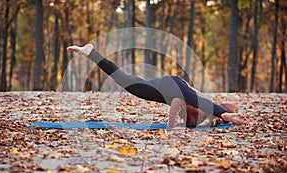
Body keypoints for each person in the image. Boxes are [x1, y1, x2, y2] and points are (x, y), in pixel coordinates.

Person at [67, 44, 248, 128]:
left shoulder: (207, 121)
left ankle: (91, 52)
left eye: (224, 120)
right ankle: (91, 52)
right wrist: (171, 128)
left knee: (124, 80)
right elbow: (180, 101)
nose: (221, 123)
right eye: (224, 120)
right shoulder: (207, 110)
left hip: (164, 91)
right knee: (194, 100)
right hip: (172, 86)